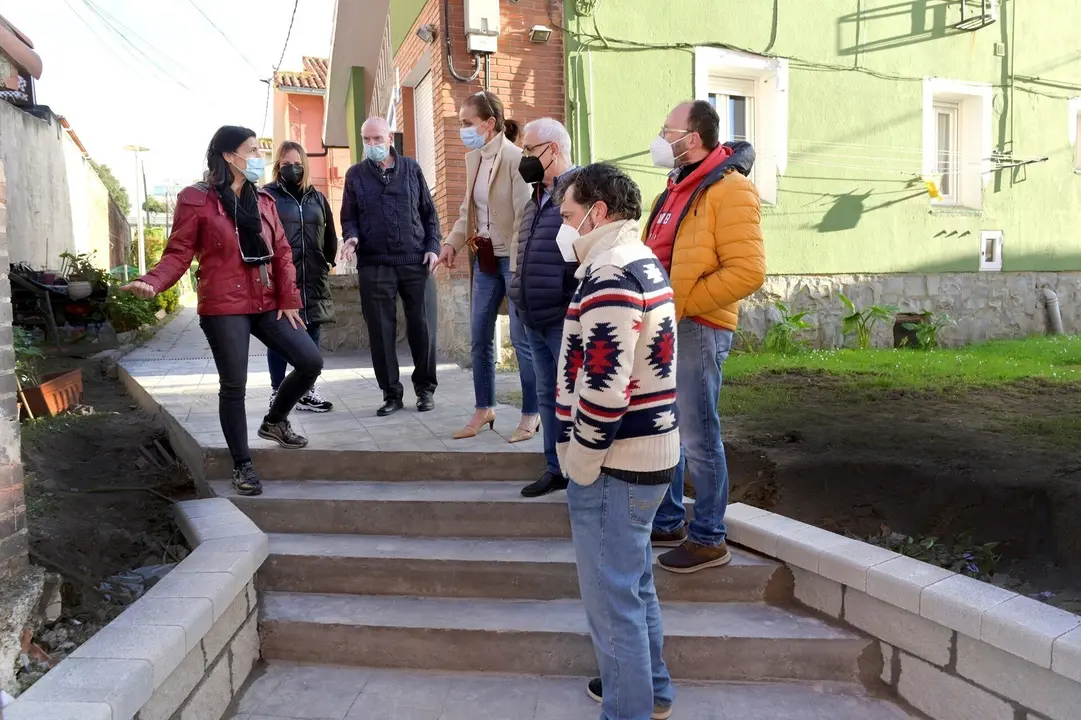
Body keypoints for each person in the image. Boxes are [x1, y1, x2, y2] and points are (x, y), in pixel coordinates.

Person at [122, 126, 322, 497]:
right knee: (235, 385)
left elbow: (281, 253)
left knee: (310, 361)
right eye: (253, 150)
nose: (260, 157)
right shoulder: (196, 199)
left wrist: (289, 299)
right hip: (223, 304)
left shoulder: (263, 201)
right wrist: (154, 281)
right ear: (230, 156)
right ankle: (242, 463)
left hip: (265, 301)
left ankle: (275, 421)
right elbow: (178, 251)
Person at [554, 163, 680, 720]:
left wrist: (580, 460)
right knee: (634, 589)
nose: (566, 227)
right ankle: (652, 695)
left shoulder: (610, 272)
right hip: (643, 456)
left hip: (615, 463)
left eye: (568, 214)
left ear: (597, 212)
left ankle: (628, 709)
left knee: (612, 604)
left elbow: (605, 383)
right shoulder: (640, 260)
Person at [644, 100, 765, 574]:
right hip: (669, 323)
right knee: (669, 431)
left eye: (667, 129)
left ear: (691, 138)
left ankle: (710, 536)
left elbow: (749, 270)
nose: (661, 137)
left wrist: (683, 302)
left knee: (698, 434)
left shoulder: (731, 189)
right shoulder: (677, 185)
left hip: (699, 325)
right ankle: (671, 519)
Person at [436, 91, 537, 441]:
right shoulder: (473, 159)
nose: (462, 129)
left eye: (467, 123)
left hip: (513, 258)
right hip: (485, 259)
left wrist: (520, 265)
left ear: (489, 123)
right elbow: (469, 212)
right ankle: (484, 408)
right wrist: (450, 244)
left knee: (522, 340)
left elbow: (525, 216)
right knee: (479, 336)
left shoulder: (515, 159)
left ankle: (530, 414)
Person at [340, 116, 440, 417]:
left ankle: (425, 390)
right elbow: (349, 217)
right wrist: (351, 238)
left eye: (377, 139)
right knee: (381, 332)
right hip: (374, 264)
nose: (372, 145)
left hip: (415, 261)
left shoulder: (412, 169)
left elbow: (429, 214)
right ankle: (391, 393)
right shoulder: (355, 175)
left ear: (390, 139)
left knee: (423, 327)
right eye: (366, 140)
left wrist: (433, 247)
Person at [510, 118, 580, 497]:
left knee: (572, 396)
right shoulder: (539, 194)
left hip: (562, 317)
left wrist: (565, 298)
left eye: (529, 150)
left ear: (553, 150)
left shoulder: (580, 192)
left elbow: (583, 256)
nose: (524, 157)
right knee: (547, 396)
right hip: (532, 316)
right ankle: (555, 469)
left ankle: (578, 472)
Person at [263, 141, 337, 413]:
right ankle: (277, 391)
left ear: (304, 165)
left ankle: (306, 391)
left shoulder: (317, 197)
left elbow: (329, 234)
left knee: (313, 331)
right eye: (285, 164)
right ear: (277, 167)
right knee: (281, 336)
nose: (291, 168)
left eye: (296, 163)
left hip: (314, 276)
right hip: (283, 277)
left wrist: (329, 260)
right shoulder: (267, 196)